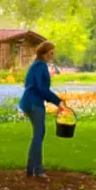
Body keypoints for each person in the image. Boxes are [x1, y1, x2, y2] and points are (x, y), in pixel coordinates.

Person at [18, 41, 65, 178]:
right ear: (44, 53)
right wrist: (58, 102)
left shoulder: (35, 66)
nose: (52, 55)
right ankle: (34, 170)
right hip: (34, 104)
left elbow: (31, 86)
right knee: (38, 136)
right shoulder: (40, 66)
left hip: (29, 102)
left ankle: (35, 170)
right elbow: (42, 89)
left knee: (39, 134)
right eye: (51, 53)